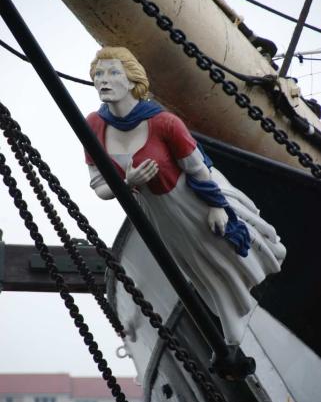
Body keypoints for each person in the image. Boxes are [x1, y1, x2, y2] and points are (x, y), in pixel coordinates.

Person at [85, 46, 286, 345]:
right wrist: (126, 183)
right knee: (196, 264)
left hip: (190, 197)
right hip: (158, 211)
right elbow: (100, 187)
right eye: (98, 74)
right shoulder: (94, 126)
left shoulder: (164, 122)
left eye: (114, 72)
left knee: (223, 251)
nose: (104, 79)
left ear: (131, 80)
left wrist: (216, 206)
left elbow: (198, 169)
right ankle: (230, 315)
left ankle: (252, 285)